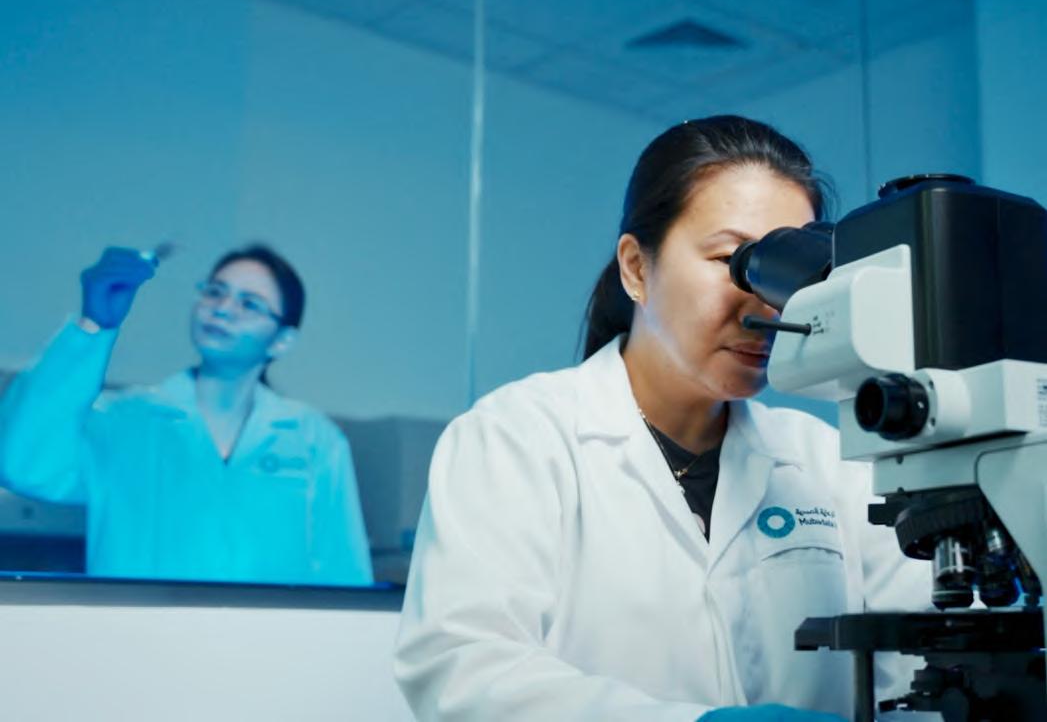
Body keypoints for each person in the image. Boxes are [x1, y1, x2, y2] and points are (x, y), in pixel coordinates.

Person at [393, 116, 929, 720]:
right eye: (732, 259)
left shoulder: (830, 461)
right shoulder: (516, 438)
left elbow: (917, 664)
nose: (766, 304)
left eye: (790, 271)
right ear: (637, 268)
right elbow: (464, 670)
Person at [0, 244, 373, 586]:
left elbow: (346, 578)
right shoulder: (125, 421)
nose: (222, 308)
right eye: (215, 292)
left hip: (269, 640)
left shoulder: (314, 439)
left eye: (249, 304)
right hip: (141, 636)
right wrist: (91, 328)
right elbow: (23, 465)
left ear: (282, 340)